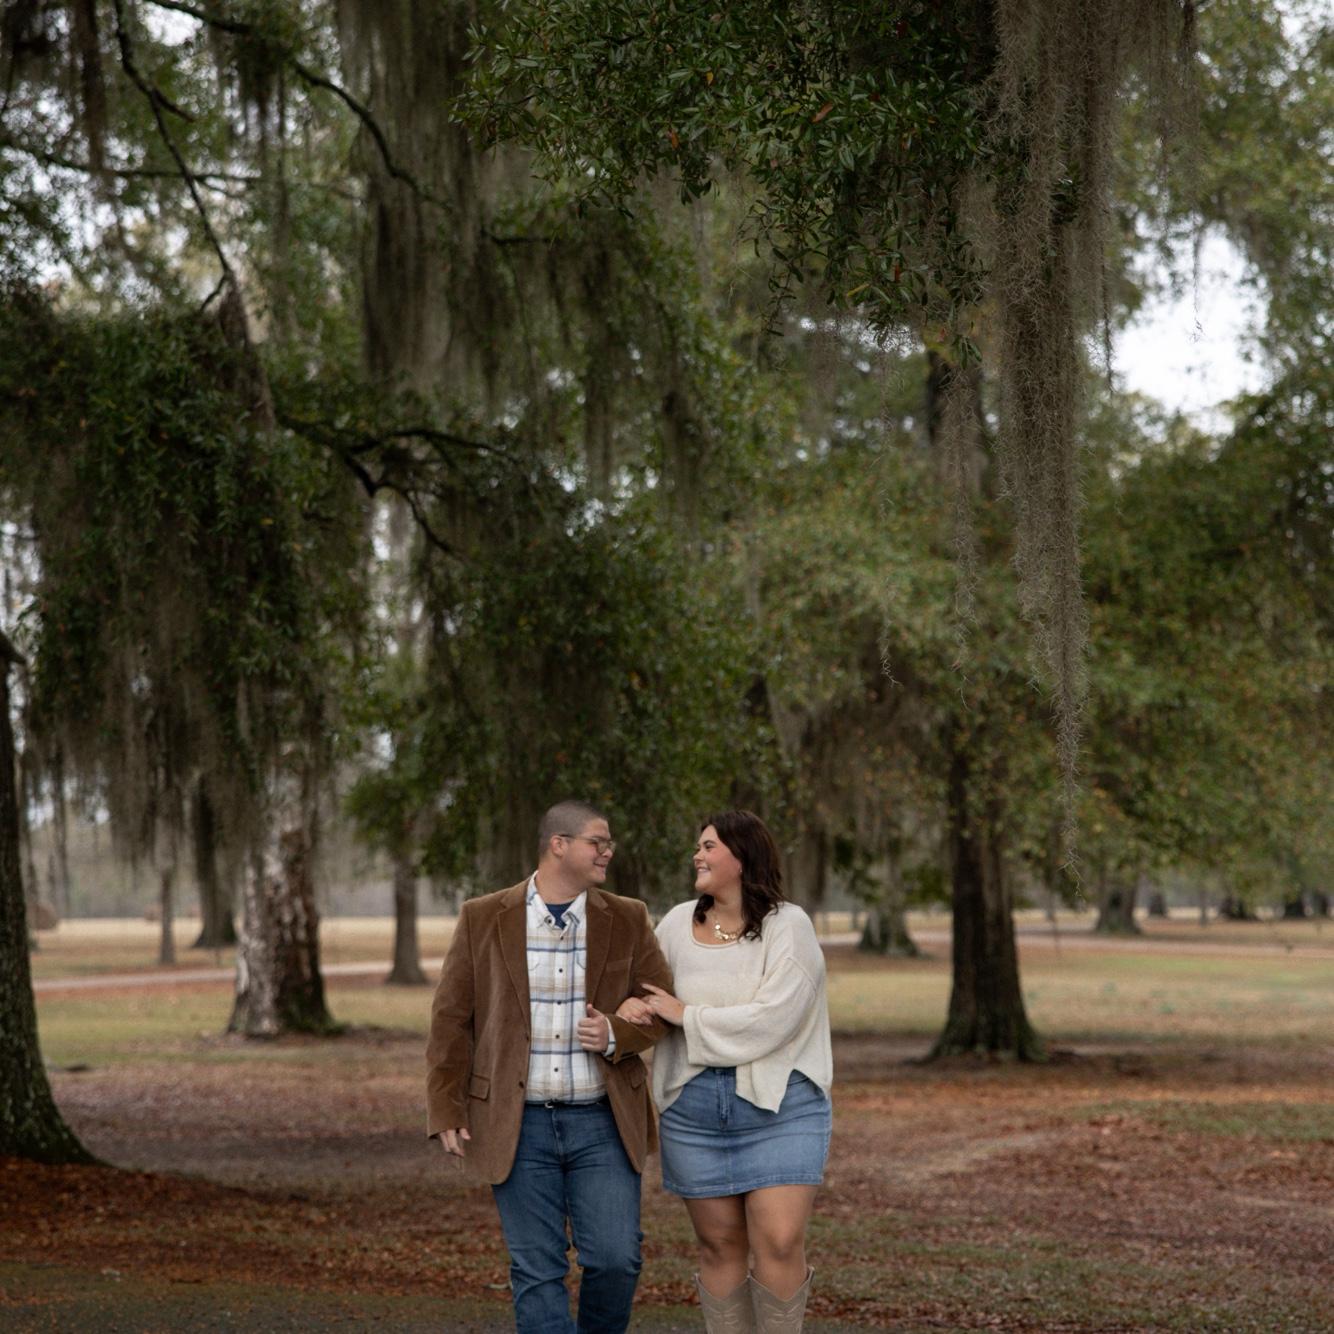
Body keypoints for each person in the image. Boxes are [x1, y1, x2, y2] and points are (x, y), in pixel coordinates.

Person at [426, 799, 674, 1334]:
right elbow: (451, 1021)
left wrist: (616, 1033)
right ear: (558, 845)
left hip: (603, 1122)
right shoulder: (482, 916)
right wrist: (445, 1106)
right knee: (537, 1271)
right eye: (597, 842)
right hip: (516, 1124)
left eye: (609, 843)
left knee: (615, 1260)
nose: (608, 852)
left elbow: (662, 1008)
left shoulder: (628, 917)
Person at [617, 809, 833, 1333]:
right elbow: (643, 990)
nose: (697, 855)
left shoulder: (789, 926)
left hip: (779, 1105)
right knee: (719, 1246)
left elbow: (773, 1020)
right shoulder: (676, 924)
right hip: (693, 1111)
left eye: (709, 846)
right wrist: (631, 1005)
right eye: (698, 846)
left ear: (742, 856)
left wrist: (687, 1016)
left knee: (779, 1241)